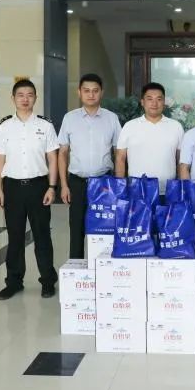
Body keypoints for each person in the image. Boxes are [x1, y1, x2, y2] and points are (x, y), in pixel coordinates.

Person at [0, 79, 59, 300]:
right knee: (15, 237)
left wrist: (52, 187)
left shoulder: (45, 126)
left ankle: (47, 281)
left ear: (35, 98)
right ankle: (14, 282)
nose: (25, 99)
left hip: (39, 186)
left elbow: (53, 158)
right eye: (20, 95)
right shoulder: (4, 127)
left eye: (30, 95)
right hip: (12, 188)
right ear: (13, 98)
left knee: (42, 236)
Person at [58, 73, 122, 259]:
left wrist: (119, 186)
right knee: (76, 228)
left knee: (105, 228)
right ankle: (77, 267)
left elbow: (119, 153)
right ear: (79, 92)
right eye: (86, 91)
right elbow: (62, 153)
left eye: (95, 91)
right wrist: (64, 186)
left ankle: (104, 267)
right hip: (77, 182)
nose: (91, 95)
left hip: (104, 183)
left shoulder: (111, 118)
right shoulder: (70, 118)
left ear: (101, 92)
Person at [115, 82, 184, 195]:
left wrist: (182, 189)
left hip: (168, 192)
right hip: (137, 191)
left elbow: (181, 161)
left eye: (159, 99)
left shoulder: (176, 126)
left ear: (164, 102)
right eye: (149, 99)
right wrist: (120, 189)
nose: (154, 103)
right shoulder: (129, 126)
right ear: (142, 102)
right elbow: (120, 158)